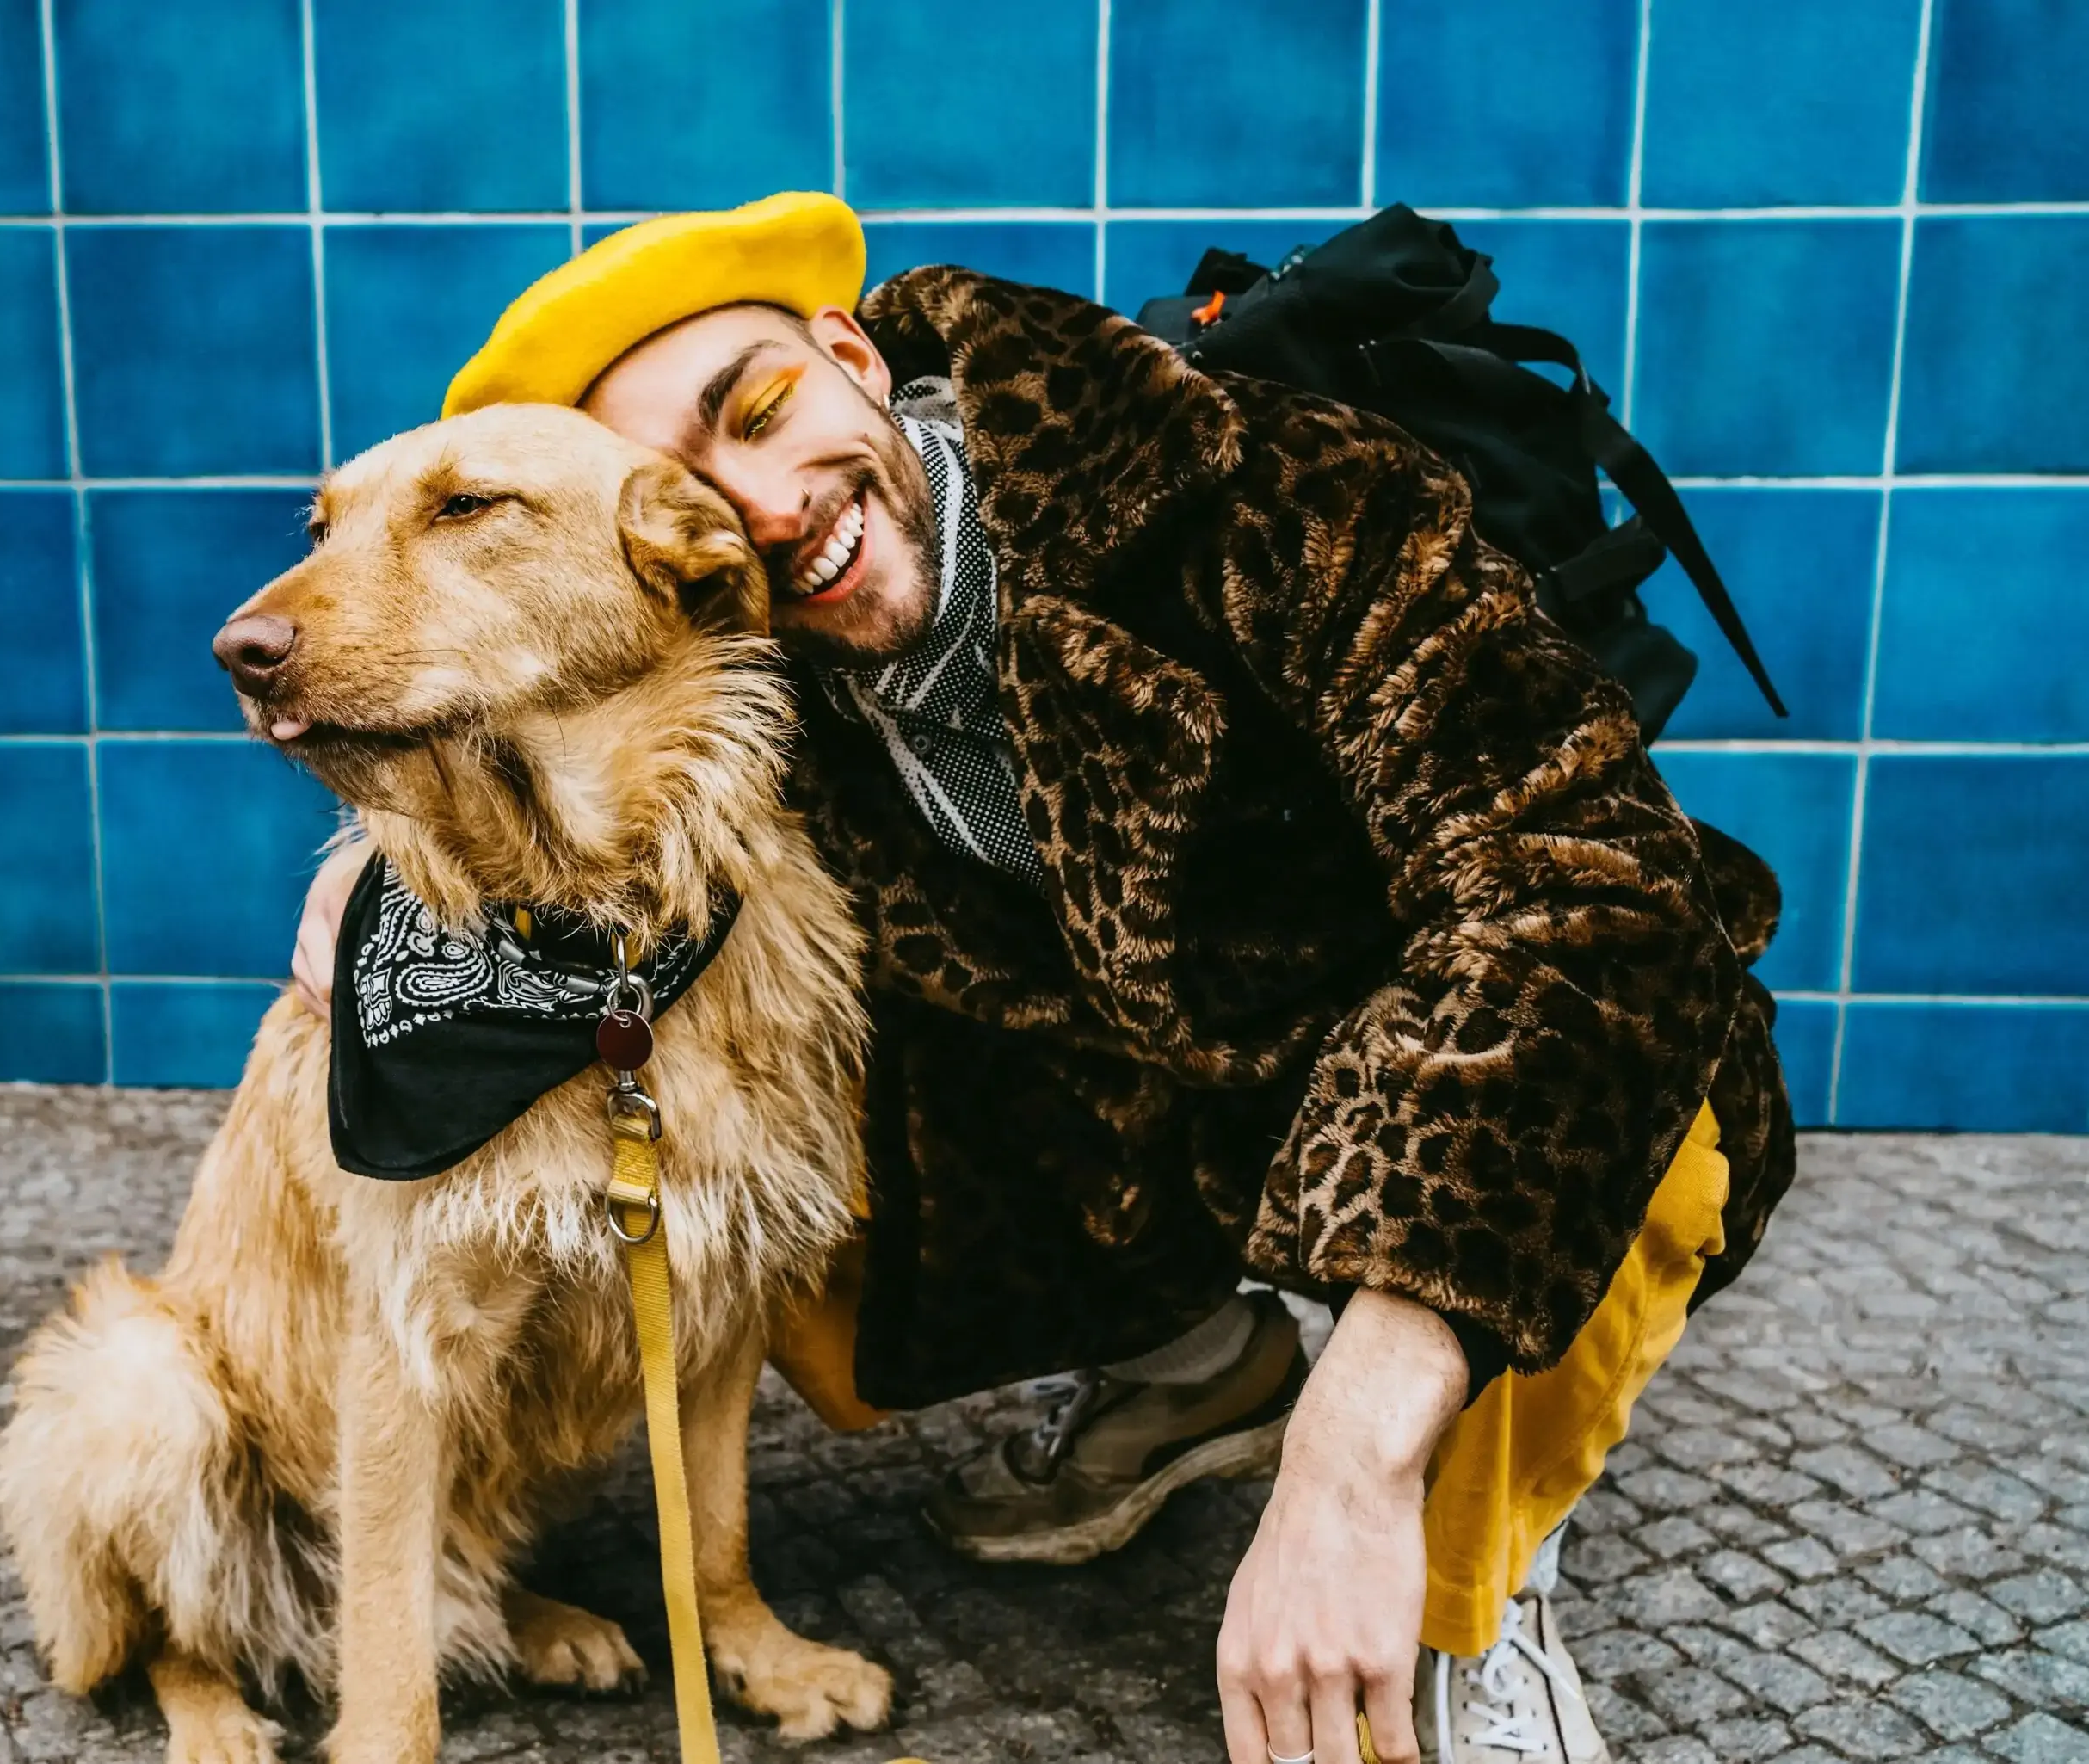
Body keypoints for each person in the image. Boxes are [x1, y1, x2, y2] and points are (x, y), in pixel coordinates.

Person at [286, 193, 1795, 1764]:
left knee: (1618, 1115)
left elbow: (1585, 890)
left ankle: (1471, 1608)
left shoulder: (1261, 484)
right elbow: (586, 740)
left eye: (763, 410)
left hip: (1439, 1061)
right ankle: (1203, 1365)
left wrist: (1346, 1468)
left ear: (850, 354)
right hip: (1157, 1107)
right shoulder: (751, 634)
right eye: (690, 488)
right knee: (758, 1122)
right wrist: (382, 852)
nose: (763, 508)